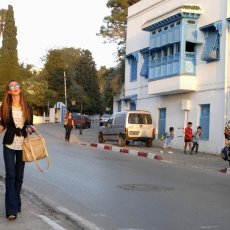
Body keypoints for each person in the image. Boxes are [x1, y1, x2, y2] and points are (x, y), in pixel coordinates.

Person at [0, 80, 34, 220]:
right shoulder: (4, 107)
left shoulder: (27, 107)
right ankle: (11, 210)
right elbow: (2, 125)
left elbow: (29, 125)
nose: (14, 88)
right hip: (9, 143)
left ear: (20, 89)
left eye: (17, 85)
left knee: (19, 176)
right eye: (11, 86)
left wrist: (30, 128)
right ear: (9, 91)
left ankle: (16, 202)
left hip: (23, 145)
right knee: (11, 175)